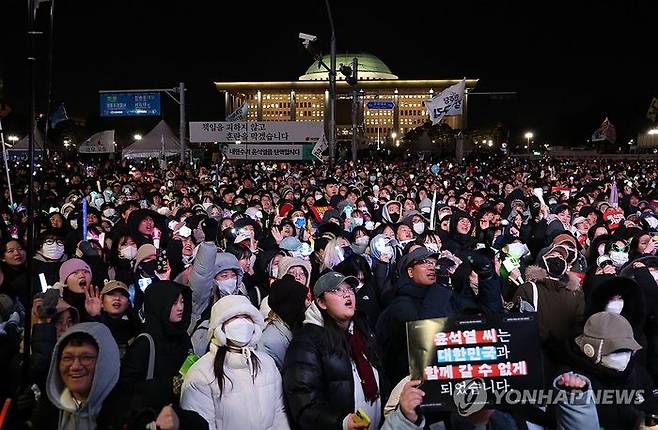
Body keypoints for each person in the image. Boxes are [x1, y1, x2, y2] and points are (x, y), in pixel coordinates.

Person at [284, 271, 387, 430]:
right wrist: (341, 423)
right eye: (337, 290)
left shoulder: (362, 329)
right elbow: (304, 403)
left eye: (350, 289)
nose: (347, 295)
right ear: (321, 302)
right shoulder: (306, 342)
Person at [180, 295, 290, 429]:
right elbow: (201, 425)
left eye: (246, 317)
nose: (242, 322)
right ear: (220, 326)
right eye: (234, 317)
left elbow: (279, 413)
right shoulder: (201, 374)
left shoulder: (267, 363)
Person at [259, 275, 308, 370]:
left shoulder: (291, 329)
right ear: (290, 307)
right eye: (302, 302)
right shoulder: (269, 343)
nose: (306, 305)